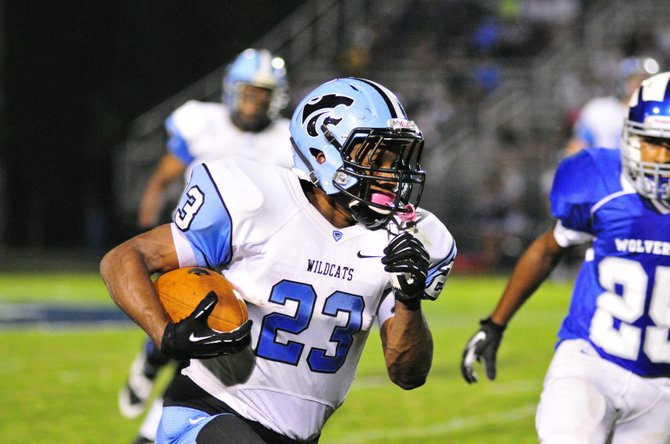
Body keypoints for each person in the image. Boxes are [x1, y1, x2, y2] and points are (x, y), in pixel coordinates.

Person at [101, 77, 457, 443]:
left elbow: (408, 374)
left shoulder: (404, 238)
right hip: (208, 412)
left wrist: (409, 300)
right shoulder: (255, 200)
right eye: (376, 157)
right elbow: (124, 258)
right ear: (322, 154)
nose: (390, 174)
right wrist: (165, 335)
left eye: (396, 158)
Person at [460, 71, 670, 443]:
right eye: (652, 141)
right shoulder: (604, 184)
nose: (661, 157)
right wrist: (495, 323)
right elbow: (546, 249)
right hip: (592, 362)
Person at [118, 48, 292, 444]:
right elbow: (162, 179)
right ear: (232, 90)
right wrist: (147, 228)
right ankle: (148, 367)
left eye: (264, 93)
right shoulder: (203, 124)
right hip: (194, 248)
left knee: (208, 351)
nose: (256, 100)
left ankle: (154, 426)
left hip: (245, 258)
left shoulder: (286, 141)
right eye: (250, 91)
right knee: (178, 334)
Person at [563, 55, 659, 156]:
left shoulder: (661, 114)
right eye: (634, 80)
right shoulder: (599, 109)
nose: (640, 84)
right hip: (604, 170)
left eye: (645, 80)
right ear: (623, 82)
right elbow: (576, 148)